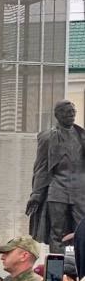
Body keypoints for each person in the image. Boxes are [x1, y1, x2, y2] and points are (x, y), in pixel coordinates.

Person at [27, 99, 85, 255]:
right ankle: (57, 271)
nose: (71, 115)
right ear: (57, 115)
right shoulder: (47, 137)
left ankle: (80, 269)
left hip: (80, 191)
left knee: (82, 231)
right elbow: (41, 168)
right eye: (67, 112)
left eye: (73, 112)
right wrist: (36, 194)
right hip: (57, 189)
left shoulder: (82, 135)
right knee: (57, 233)